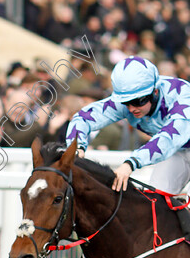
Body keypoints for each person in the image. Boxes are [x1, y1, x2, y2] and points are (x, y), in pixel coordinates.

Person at [66, 56, 190, 212]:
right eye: (126, 102)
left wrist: (130, 163)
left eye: (138, 101)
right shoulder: (131, 97)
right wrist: (76, 149)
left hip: (173, 142)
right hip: (178, 151)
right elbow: (82, 118)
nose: (131, 109)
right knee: (154, 203)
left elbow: (169, 139)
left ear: (155, 92)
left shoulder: (183, 99)